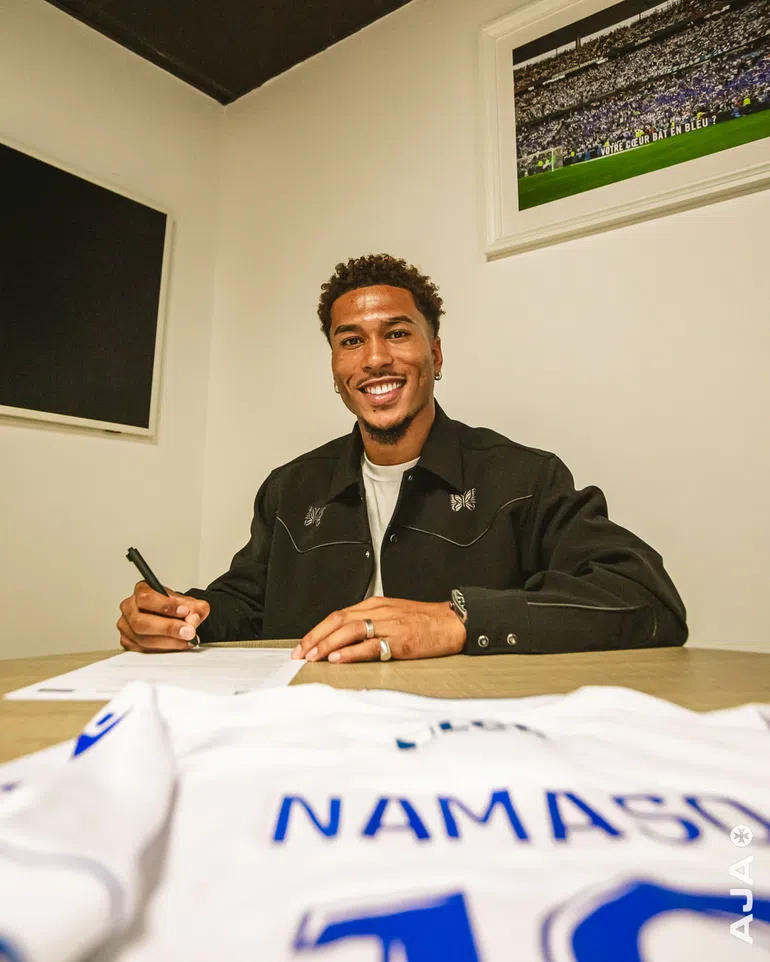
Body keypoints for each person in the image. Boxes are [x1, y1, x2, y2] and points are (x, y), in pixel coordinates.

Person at [118, 254, 687, 663]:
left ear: (435, 354)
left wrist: (459, 619)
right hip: (310, 740)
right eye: (350, 341)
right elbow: (246, 604)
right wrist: (185, 616)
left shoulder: (524, 478)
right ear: (336, 369)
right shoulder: (289, 488)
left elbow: (646, 599)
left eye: (396, 334)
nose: (374, 359)